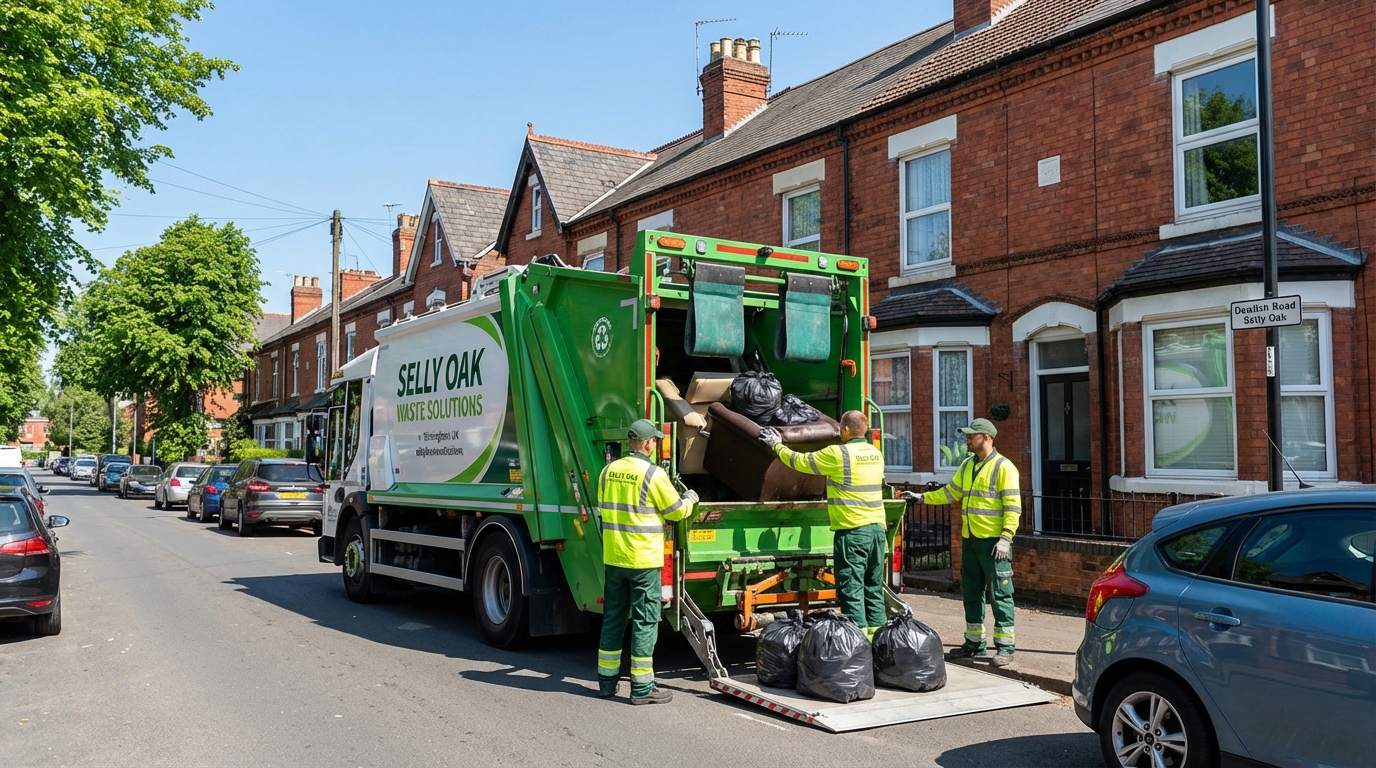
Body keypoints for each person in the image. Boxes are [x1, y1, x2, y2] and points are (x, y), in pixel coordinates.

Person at [596, 419, 698, 705]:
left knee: (613, 618)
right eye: (654, 440)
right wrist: (690, 498)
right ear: (648, 443)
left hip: (614, 559)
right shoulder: (653, 474)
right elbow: (676, 512)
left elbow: (603, 508)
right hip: (642, 561)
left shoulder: (607, 471)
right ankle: (641, 688)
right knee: (644, 621)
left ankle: (606, 682)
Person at [760, 410, 888, 639]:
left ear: (846, 430)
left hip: (853, 532)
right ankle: (879, 643)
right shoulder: (875, 453)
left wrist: (776, 445)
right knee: (873, 589)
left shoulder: (838, 454)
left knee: (851, 590)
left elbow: (800, 462)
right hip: (877, 531)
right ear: (866, 430)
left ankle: (856, 645)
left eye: (841, 427)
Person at [905, 418, 1021, 667]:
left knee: (1000, 593)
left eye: (972, 436)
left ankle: (1005, 647)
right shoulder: (968, 465)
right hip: (970, 539)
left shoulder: (1004, 468)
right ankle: (974, 643)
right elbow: (950, 493)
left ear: (987, 438)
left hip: (993, 542)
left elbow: (1013, 507)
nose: (967, 440)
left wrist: (1006, 538)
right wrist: (921, 498)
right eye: (968, 436)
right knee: (971, 591)